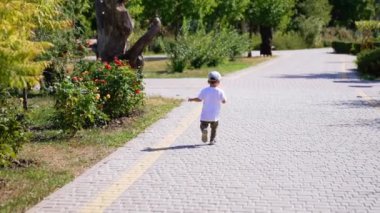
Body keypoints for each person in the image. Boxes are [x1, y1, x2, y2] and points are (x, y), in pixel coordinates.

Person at [188, 71, 227, 145]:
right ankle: (212, 140)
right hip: (215, 116)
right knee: (214, 128)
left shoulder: (204, 90)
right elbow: (224, 101)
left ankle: (204, 130)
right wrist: (223, 101)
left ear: (208, 81)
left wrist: (192, 99)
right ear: (218, 81)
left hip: (205, 115)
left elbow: (199, 99)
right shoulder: (220, 91)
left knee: (203, 125)